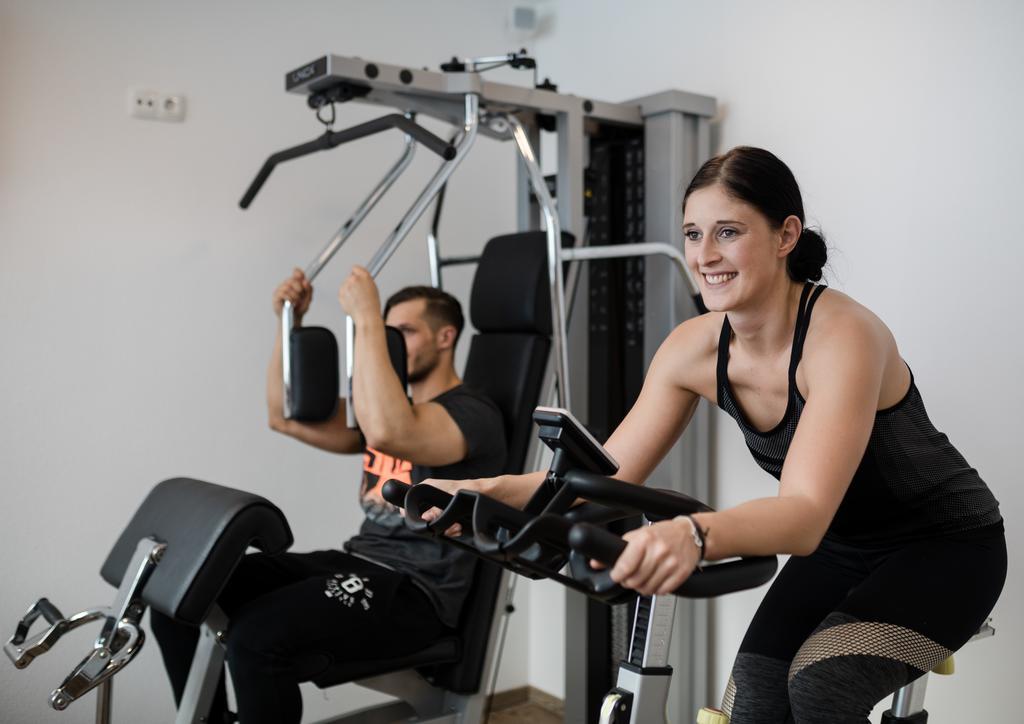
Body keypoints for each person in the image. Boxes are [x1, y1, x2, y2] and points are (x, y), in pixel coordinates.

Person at [424, 147, 1006, 723]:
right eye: (693, 234)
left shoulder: (844, 337)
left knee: (822, 686)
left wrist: (694, 535)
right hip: (841, 549)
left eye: (728, 232)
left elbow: (802, 514)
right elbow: (611, 474)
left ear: (785, 237)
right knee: (754, 701)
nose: (705, 256)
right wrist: (488, 492)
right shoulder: (693, 348)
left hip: (947, 548)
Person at [151, 266, 506, 724]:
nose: (393, 342)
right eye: (388, 332)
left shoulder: (470, 413)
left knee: (256, 637)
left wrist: (367, 320)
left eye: (404, 332)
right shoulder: (390, 412)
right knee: (183, 591)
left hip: (416, 593)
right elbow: (284, 415)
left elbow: (390, 429)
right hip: (357, 562)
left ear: (445, 337)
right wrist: (289, 323)